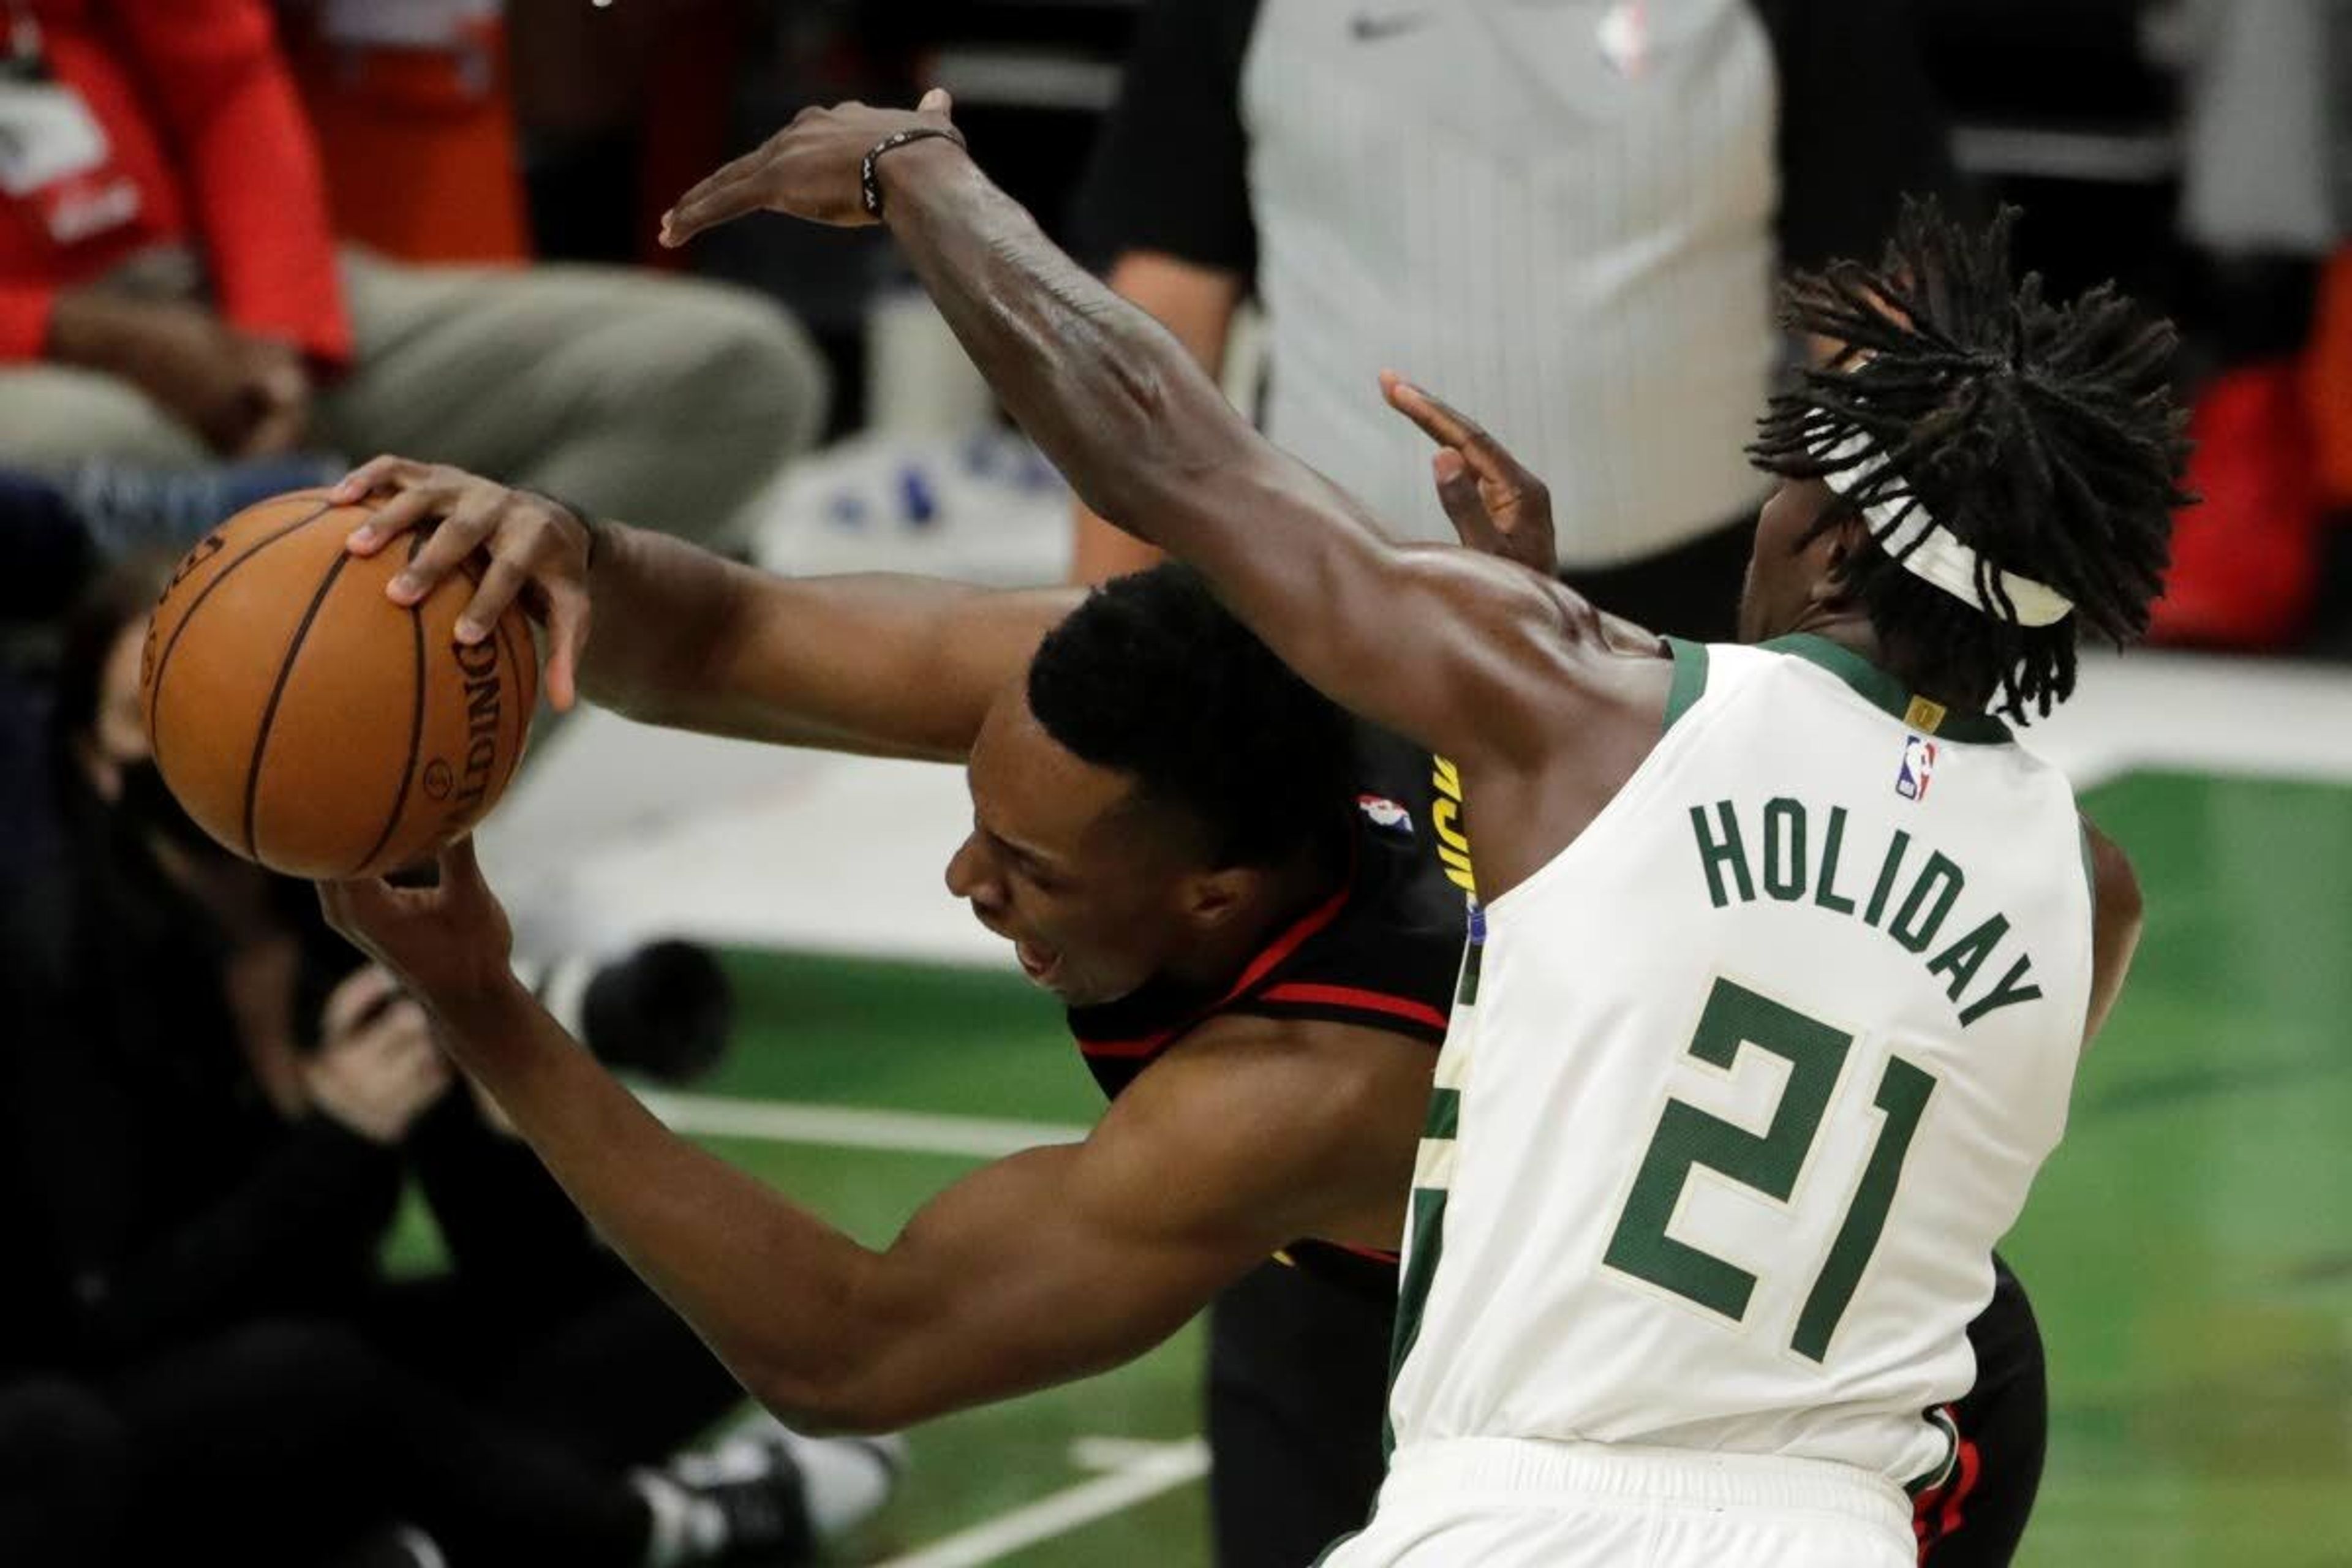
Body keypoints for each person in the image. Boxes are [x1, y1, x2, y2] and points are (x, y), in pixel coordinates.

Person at [644, 99, 2179, 1566]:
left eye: (1786, 485)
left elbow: (1163, 446)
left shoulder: (1591, 707)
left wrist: (921, 174)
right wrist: (1527, 681)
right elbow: (1794, 962)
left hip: (1529, 1504)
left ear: (1835, 533)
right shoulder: (2087, 895)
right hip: (1849, 1518)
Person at [0, 562, 890, 1568]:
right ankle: (640, 1528)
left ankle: (418, 1530)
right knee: (310, 1375)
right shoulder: (51, 965)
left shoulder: (342, 909)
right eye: (160, 718)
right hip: (115, 1402)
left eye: (243, 708)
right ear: (91, 754)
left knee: (690, 1303)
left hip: (334, 1363)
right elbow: (108, 1315)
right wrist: (332, 1146)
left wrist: (503, 1099)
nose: (216, 745)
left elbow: (523, 1266)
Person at [1069, 0, 1956, 641]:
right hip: (1332, 611)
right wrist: (1096, 639)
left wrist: (1907, 623)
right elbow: (1164, 310)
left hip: (1704, 623)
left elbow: (1877, 312)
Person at [0, 0, 824, 542]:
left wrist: (280, 333)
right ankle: (149, 775)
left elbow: (226, 80)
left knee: (734, 373)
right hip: (40, 356)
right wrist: (77, 332)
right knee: (114, 466)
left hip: (212, 285)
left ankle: (397, 749)